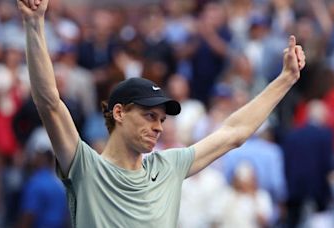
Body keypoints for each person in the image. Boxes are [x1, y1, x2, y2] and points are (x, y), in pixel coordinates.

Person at [17, 0, 305, 227]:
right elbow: (50, 103)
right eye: (149, 116)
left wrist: (286, 80)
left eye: (162, 119)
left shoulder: (169, 166)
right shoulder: (85, 166)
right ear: (119, 112)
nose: (159, 127)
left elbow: (234, 133)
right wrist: (34, 23)